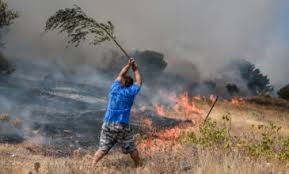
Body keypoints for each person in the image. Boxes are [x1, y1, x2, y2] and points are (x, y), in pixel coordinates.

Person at [92, 58, 142, 167]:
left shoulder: (114, 88)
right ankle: (139, 166)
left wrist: (128, 65)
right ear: (130, 85)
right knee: (131, 147)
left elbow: (120, 75)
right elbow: (139, 82)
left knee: (103, 148)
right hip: (121, 125)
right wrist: (136, 69)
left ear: (121, 83)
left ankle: (92, 166)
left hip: (108, 123)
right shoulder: (130, 92)